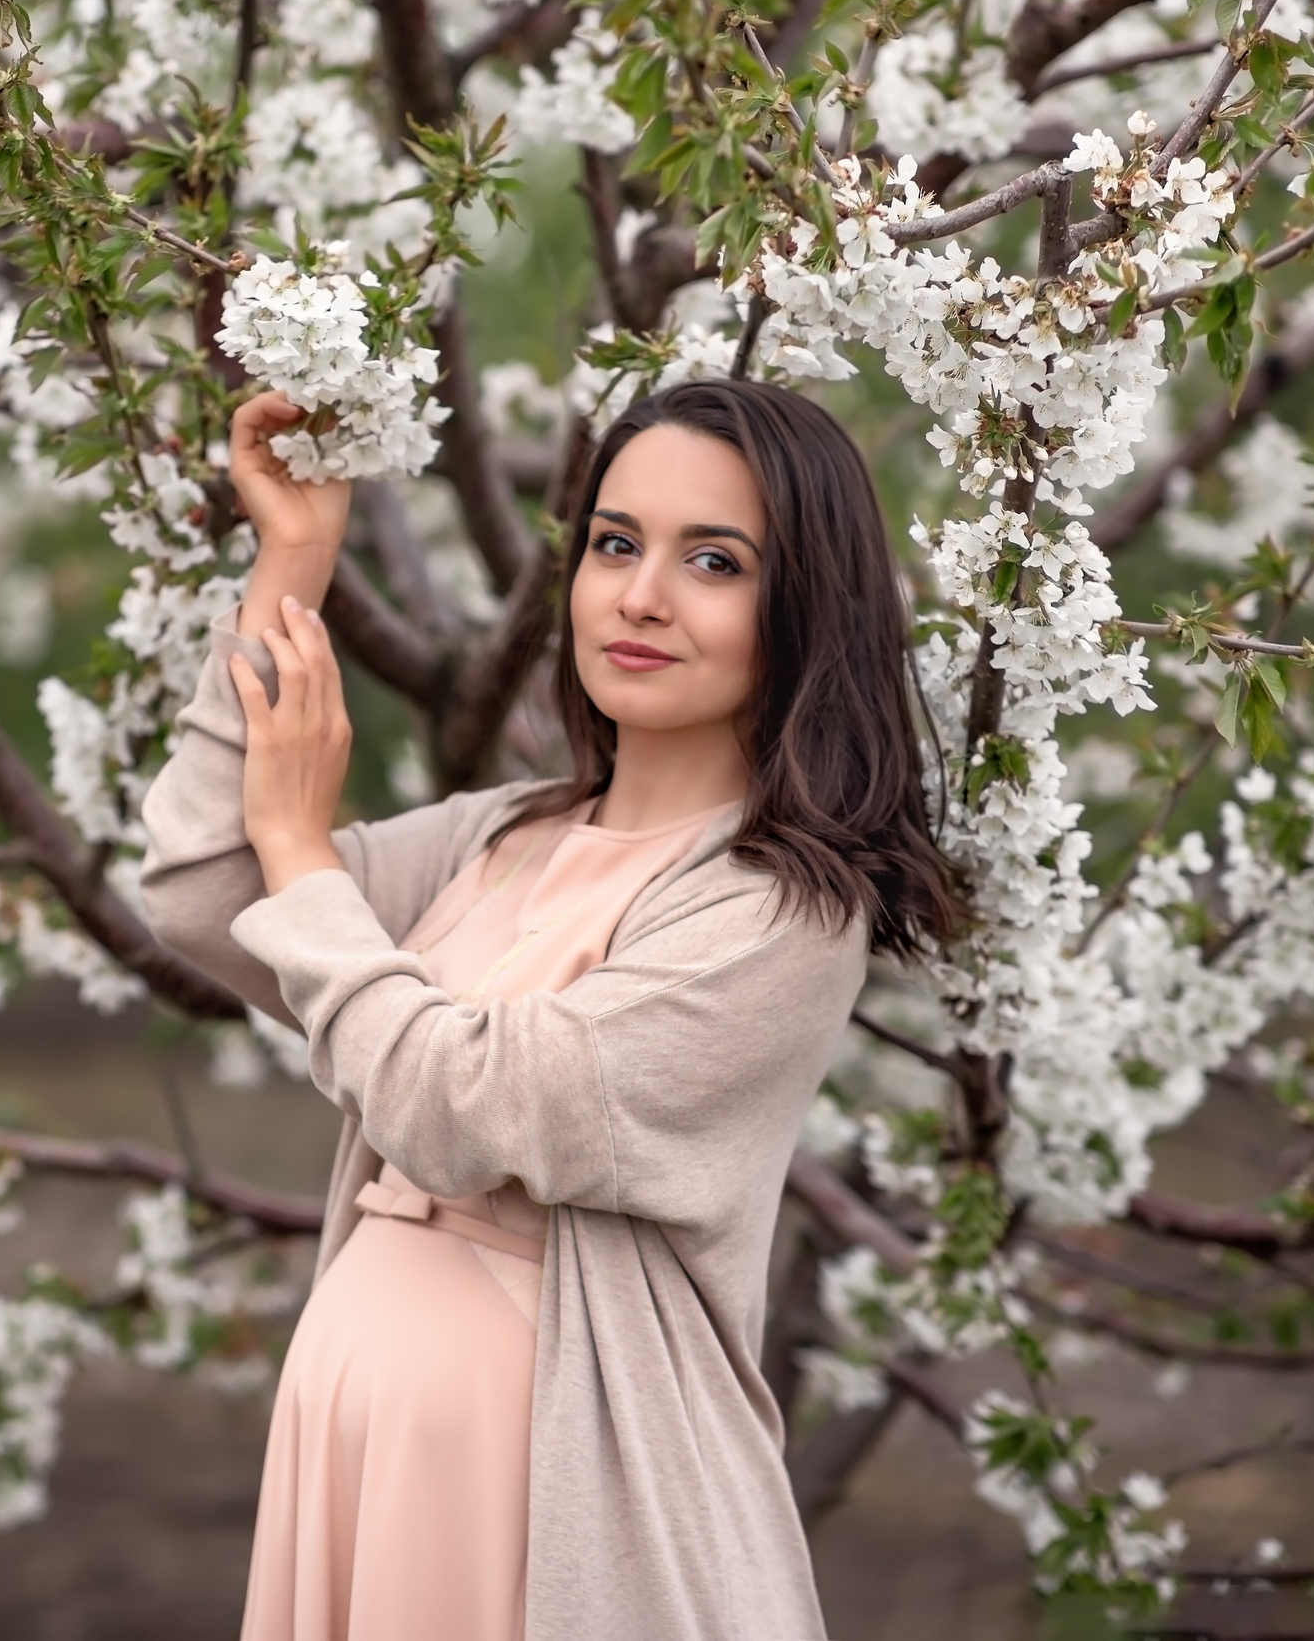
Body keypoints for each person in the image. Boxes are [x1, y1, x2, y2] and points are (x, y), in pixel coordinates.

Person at [139, 379, 968, 1641]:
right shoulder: (505, 835)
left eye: (714, 561)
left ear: (802, 612)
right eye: (615, 545)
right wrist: (293, 564)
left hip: (548, 1510)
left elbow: (463, 1102)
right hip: (362, 1463)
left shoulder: (779, 919)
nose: (641, 595)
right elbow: (208, 889)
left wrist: (301, 846)